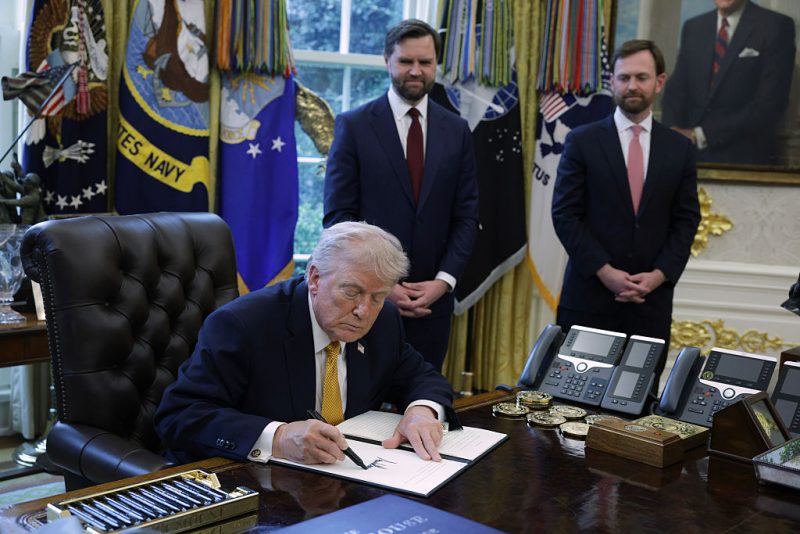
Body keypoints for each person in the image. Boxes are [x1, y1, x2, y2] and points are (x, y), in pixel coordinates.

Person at [155, 221, 454, 466]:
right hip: (249, 483)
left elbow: (421, 376)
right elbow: (180, 415)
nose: (364, 311)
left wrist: (421, 411)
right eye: (351, 292)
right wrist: (279, 437)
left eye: (377, 297)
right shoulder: (243, 325)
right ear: (314, 278)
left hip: (349, 480)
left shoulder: (384, 320)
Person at [323, 19, 479, 372]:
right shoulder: (355, 125)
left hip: (432, 304)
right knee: (363, 410)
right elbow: (338, 218)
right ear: (387, 61)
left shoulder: (457, 131)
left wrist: (444, 282)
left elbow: (467, 217)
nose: (416, 71)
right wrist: (382, 285)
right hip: (366, 301)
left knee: (423, 403)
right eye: (406, 61)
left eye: (425, 62)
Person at [551, 40, 701, 384]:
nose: (632, 85)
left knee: (637, 406)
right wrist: (605, 272)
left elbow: (686, 220)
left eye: (641, 77)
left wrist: (659, 275)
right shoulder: (582, 140)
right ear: (613, 81)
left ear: (659, 82)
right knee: (574, 399)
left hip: (651, 305)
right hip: (589, 298)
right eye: (624, 77)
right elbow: (565, 215)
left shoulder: (679, 148)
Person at [661, 0, 796, 165]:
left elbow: (770, 104)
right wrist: (671, 132)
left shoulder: (776, 26)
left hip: (745, 161)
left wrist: (700, 135)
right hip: (688, 158)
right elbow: (676, 91)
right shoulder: (694, 27)